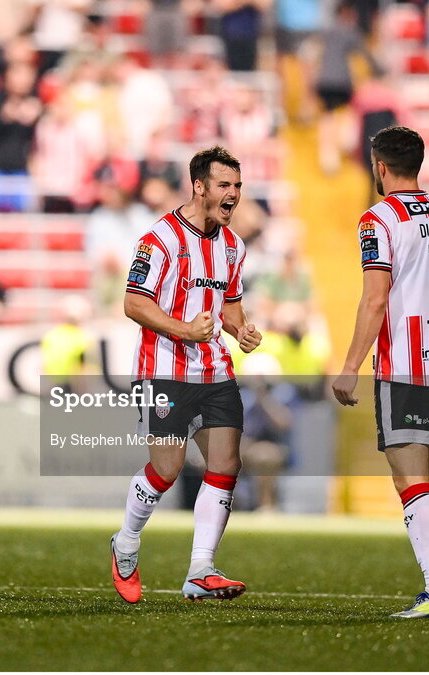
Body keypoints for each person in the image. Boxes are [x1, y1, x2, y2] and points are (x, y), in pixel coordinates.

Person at [331, 126, 429, 619]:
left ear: (379, 167)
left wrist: (350, 366)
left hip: (405, 364)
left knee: (409, 477)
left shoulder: (379, 220)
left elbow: (376, 298)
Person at [111, 146, 261, 604]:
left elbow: (229, 305)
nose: (233, 194)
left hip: (214, 370)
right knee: (167, 468)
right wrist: (183, 329)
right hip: (163, 371)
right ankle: (126, 542)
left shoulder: (233, 245)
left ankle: (201, 569)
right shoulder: (159, 239)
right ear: (199, 186)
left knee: (226, 465)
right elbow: (133, 303)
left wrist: (241, 330)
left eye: (237, 186)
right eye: (224, 186)